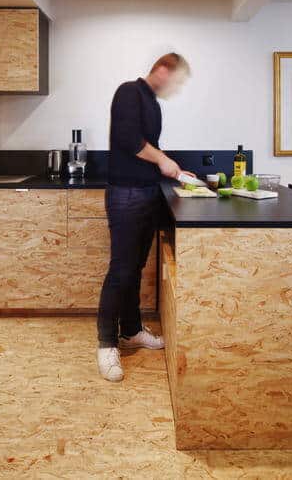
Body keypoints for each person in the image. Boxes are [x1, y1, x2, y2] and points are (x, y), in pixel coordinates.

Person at [96, 53, 192, 382]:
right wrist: (164, 160)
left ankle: (132, 330)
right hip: (126, 194)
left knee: (135, 268)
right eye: (177, 80)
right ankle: (106, 344)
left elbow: (150, 150)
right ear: (162, 70)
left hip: (146, 191)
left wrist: (175, 170)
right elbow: (130, 142)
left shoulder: (153, 103)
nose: (176, 88)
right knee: (121, 270)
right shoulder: (129, 92)